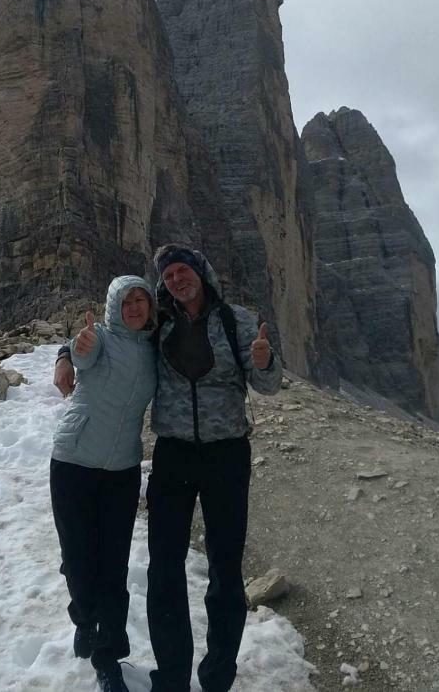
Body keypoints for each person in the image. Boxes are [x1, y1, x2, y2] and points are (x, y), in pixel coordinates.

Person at [54, 245, 282, 692]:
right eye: (170, 275)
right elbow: (108, 333)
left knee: (225, 571)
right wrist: (65, 354)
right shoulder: (159, 321)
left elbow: (268, 384)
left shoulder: (237, 319)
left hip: (227, 456)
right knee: (164, 570)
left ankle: (217, 677)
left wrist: (265, 361)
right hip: (173, 454)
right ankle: (172, 679)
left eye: (184, 271)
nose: (177, 279)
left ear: (202, 272)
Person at [50, 275, 157, 692]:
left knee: (113, 566)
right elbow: (83, 353)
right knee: (77, 559)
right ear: (114, 305)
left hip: (123, 469)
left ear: (149, 307)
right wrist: (72, 351)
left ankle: (108, 655)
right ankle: (84, 617)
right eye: (125, 301)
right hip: (74, 460)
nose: (133, 308)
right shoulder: (99, 340)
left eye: (140, 301)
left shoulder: (153, 348)